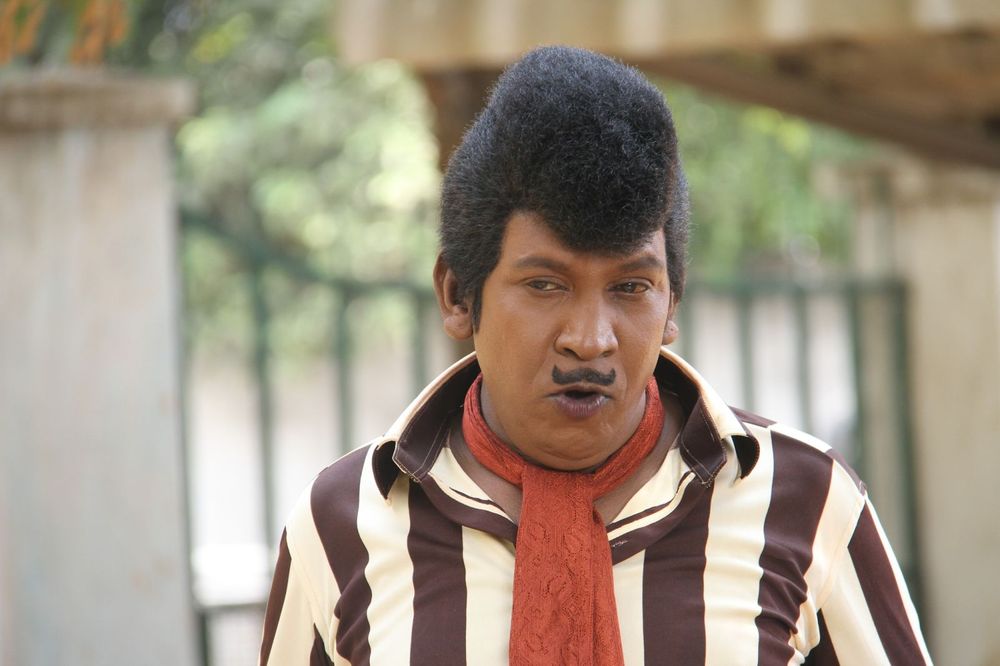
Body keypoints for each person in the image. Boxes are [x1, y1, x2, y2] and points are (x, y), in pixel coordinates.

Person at [259, 46, 930, 665]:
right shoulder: (340, 524)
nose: (590, 338)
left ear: (672, 304)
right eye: (545, 285)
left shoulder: (807, 503)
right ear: (459, 294)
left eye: (631, 287)